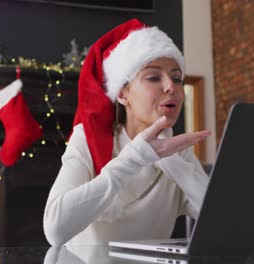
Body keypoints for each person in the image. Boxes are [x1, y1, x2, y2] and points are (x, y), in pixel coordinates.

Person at [43, 18, 211, 246]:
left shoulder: (178, 152)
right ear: (122, 94)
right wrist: (136, 156)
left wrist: (174, 164)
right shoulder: (87, 139)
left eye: (177, 78)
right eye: (153, 77)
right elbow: (55, 230)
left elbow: (226, 223)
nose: (171, 87)